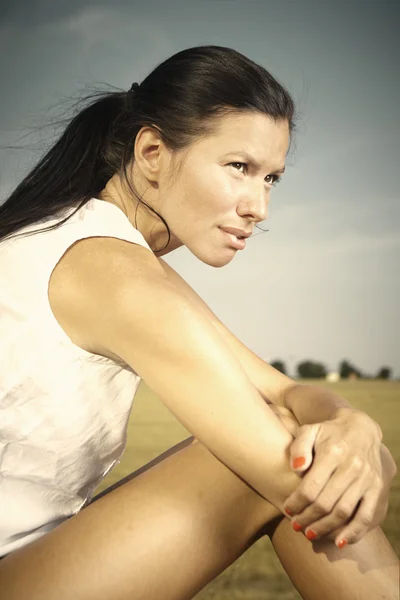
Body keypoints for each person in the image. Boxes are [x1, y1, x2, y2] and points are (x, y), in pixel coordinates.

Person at [0, 45, 397, 600]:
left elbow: (284, 390)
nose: (259, 207)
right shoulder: (111, 270)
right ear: (153, 151)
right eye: (239, 168)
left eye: (271, 179)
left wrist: (358, 426)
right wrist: (370, 467)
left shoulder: (100, 245)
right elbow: (290, 470)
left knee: (287, 441)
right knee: (292, 463)